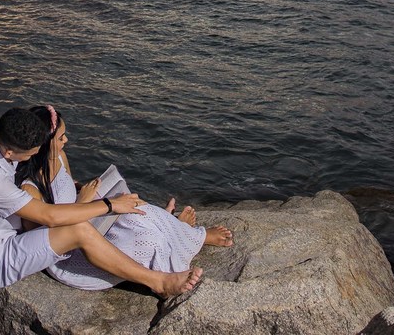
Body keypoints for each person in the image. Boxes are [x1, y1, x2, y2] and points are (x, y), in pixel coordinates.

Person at [0, 107, 202, 297]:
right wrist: (109, 205)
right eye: (30, 153)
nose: (35, 155)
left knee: (130, 210)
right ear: (8, 153)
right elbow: (49, 217)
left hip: (9, 235)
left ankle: (174, 230)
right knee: (80, 229)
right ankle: (159, 282)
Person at [15, 104, 233, 290]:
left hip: (86, 221)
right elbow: (45, 244)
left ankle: (189, 234)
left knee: (139, 210)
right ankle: (163, 279)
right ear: (43, 146)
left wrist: (89, 190)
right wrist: (84, 201)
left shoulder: (59, 157)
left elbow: (67, 186)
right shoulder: (29, 191)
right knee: (147, 241)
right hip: (72, 254)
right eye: (61, 137)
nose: (67, 140)